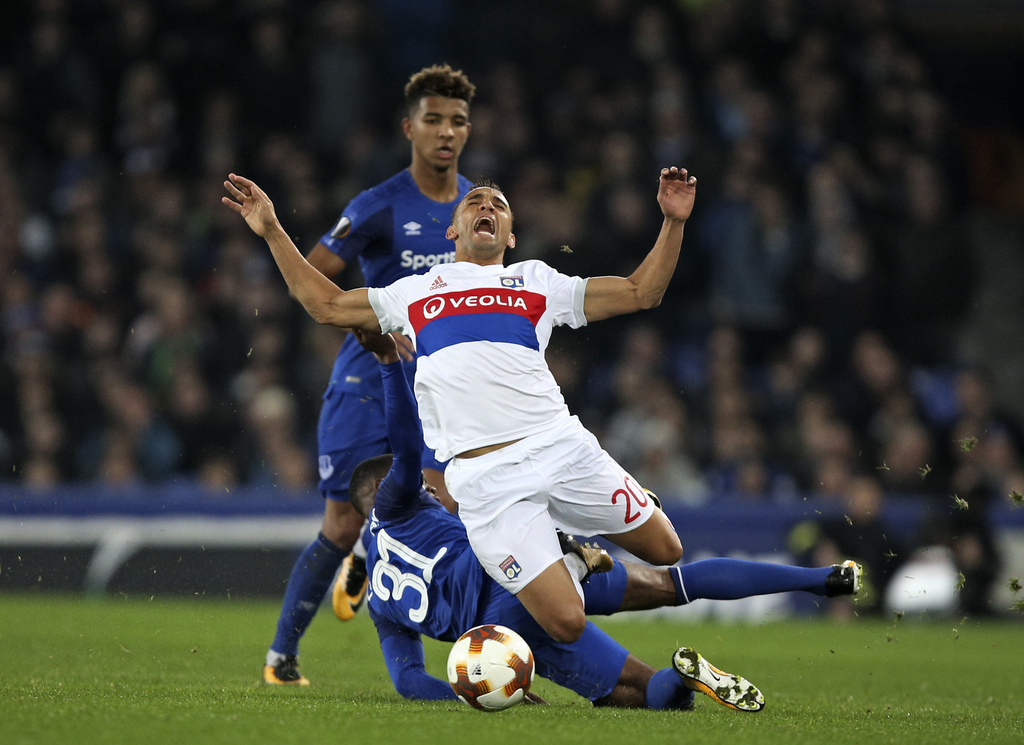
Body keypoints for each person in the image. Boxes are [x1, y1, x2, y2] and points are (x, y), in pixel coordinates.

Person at [224, 163, 708, 646]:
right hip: (486, 481)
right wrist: (271, 230)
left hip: (561, 448)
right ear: (453, 230)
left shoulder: (537, 280)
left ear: (511, 236)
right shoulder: (415, 291)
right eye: (475, 202)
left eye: (498, 205)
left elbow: (642, 291)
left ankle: (568, 537)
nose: (486, 207)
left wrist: (673, 222)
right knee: (566, 623)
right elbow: (325, 305)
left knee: (666, 548)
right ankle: (569, 556)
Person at [350, 328, 862, 710]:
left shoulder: (377, 600)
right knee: (673, 583)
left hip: (505, 619)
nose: (434, 495)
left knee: (639, 692)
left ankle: (679, 678)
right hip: (520, 572)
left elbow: (408, 683)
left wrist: (474, 694)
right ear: (382, 492)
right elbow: (405, 442)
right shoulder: (396, 500)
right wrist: (390, 362)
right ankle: (821, 580)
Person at [259, 64, 477, 685]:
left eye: (457, 121)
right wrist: (365, 322)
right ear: (409, 127)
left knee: (450, 511)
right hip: (366, 382)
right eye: (433, 119)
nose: (446, 132)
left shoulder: (476, 208)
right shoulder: (378, 206)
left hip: (435, 387)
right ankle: (282, 658)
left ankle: (468, 650)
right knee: (341, 521)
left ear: (468, 131)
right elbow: (317, 279)